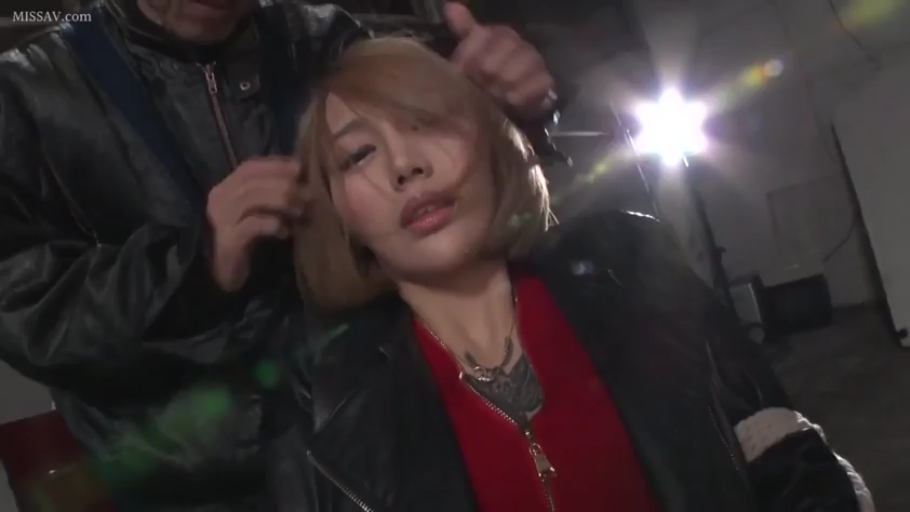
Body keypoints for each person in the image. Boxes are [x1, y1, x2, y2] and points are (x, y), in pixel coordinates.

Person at [268, 37, 874, 511]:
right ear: (339, 212)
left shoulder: (630, 270)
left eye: (426, 122)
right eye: (359, 154)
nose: (404, 165)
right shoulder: (329, 401)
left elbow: (792, 466)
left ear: (489, 140)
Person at [0, 0, 559, 509]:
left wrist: (508, 114)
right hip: (192, 487)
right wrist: (196, 267)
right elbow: (24, 309)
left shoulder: (321, 39)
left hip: (375, 456)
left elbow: (442, 188)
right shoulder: (27, 92)